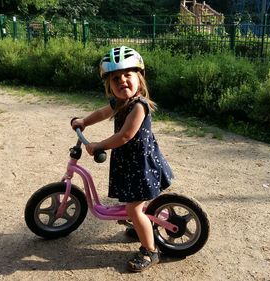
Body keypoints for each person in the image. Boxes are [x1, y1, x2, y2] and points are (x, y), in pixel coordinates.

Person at [71, 46, 173, 272]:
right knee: (133, 205)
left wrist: (98, 145)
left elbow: (125, 136)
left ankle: (150, 250)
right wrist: (84, 122)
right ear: (110, 86)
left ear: (139, 79)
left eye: (128, 75)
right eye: (116, 78)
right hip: (130, 163)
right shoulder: (119, 103)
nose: (122, 81)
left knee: (134, 209)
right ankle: (139, 226)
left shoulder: (139, 106)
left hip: (140, 165)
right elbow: (102, 113)